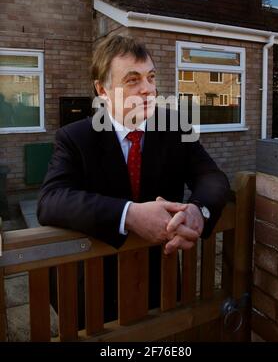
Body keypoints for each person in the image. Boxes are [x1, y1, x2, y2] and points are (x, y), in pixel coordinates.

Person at [37, 35, 230, 323]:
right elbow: (50, 200)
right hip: (94, 292)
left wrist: (197, 211)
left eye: (151, 77)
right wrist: (128, 215)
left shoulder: (175, 127)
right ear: (102, 89)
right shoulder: (75, 137)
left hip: (159, 285)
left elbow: (212, 178)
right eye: (132, 80)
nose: (148, 90)